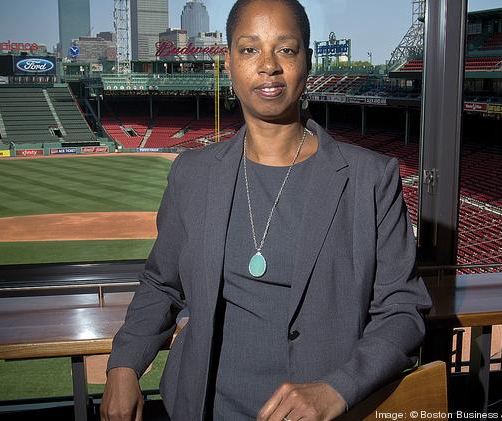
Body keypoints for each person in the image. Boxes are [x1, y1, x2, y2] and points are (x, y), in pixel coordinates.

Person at [101, 1, 431, 420]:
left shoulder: (370, 177)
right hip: (201, 408)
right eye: (250, 49)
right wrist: (124, 364)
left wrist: (337, 390)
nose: (269, 66)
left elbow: (403, 310)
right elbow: (161, 283)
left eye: (286, 50)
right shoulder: (192, 173)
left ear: (307, 62)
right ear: (229, 63)